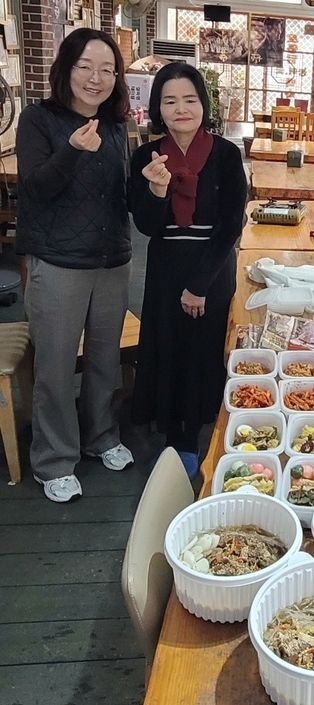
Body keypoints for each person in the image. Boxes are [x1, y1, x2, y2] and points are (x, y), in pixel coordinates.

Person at [17, 28, 133, 503]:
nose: (96, 78)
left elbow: (121, 194)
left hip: (111, 260)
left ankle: (100, 436)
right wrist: (72, 151)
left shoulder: (116, 125)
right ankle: (53, 459)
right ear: (65, 68)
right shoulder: (37, 119)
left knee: (105, 360)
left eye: (107, 69)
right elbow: (34, 189)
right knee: (56, 366)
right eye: (85, 66)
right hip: (58, 262)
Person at [129, 63, 247, 478]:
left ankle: (197, 436)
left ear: (203, 105)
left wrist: (199, 285)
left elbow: (231, 225)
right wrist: (157, 190)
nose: (181, 109)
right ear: (158, 108)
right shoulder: (145, 157)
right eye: (170, 101)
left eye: (190, 100)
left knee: (203, 350)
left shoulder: (226, 154)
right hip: (165, 268)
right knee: (168, 347)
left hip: (211, 268)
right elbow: (146, 225)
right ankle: (171, 432)